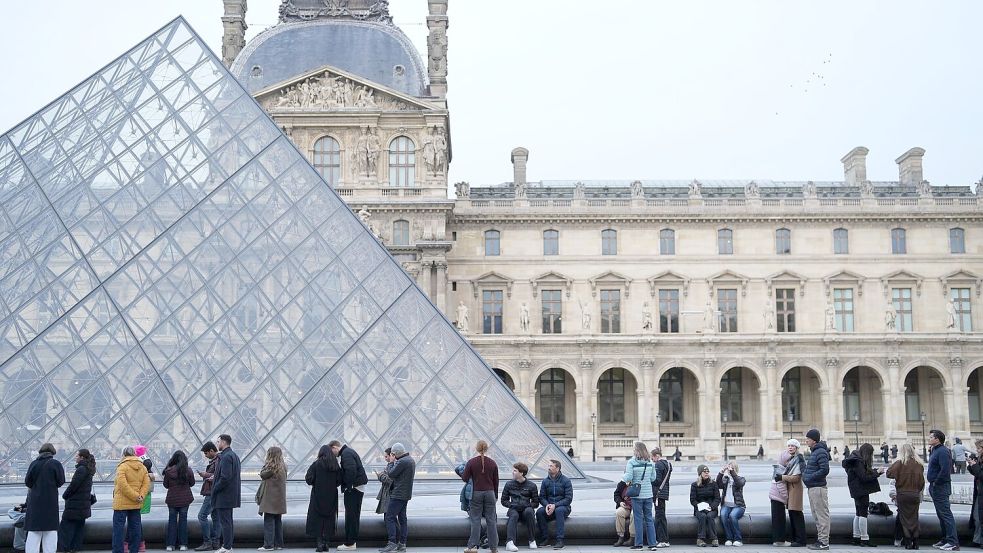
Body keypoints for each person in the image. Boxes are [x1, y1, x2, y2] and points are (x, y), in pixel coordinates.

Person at [25, 443, 66, 553]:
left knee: (33, 534)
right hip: (50, 502)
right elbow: (61, 481)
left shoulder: (34, 464)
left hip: (35, 502)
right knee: (50, 533)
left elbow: (28, 482)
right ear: (52, 452)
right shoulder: (56, 464)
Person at [462, 441, 500, 553]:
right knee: (491, 520)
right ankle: (494, 548)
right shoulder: (493, 463)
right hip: (490, 493)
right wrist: (495, 495)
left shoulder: (471, 462)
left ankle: (472, 547)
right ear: (487, 449)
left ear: (476, 448)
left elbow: (465, 478)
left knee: (475, 520)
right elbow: (496, 481)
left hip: (476, 493)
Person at [330, 441, 368, 551]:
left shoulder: (346, 454)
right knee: (354, 516)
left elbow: (351, 471)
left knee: (351, 516)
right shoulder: (348, 452)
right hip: (357, 487)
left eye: (332, 452)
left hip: (353, 489)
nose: (333, 455)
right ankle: (351, 542)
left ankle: (350, 543)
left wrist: (348, 487)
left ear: (335, 447)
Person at [112, 446, 151, 553]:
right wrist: (140, 496)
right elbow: (146, 484)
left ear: (123, 454)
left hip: (121, 503)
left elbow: (122, 485)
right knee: (136, 528)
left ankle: (118, 551)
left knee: (118, 530)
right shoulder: (142, 467)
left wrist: (134, 496)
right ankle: (134, 550)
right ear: (134, 453)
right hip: (136, 502)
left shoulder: (122, 467)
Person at [842, 443, 882, 547]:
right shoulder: (858, 462)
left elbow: (861, 474)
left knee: (858, 513)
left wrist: (875, 472)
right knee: (863, 514)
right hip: (861, 490)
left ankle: (856, 537)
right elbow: (864, 477)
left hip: (856, 489)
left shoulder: (853, 459)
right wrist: (877, 473)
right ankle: (864, 538)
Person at [887, 443, 925, 549]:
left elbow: (888, 473)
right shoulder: (919, 464)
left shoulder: (900, 463)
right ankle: (916, 542)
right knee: (914, 517)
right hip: (915, 495)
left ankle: (908, 541)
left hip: (903, 494)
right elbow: (922, 482)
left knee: (904, 519)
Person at [378, 442, 415, 553]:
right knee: (402, 519)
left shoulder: (402, 462)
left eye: (392, 454)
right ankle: (402, 544)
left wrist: (391, 462)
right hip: (405, 494)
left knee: (389, 517)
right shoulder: (410, 460)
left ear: (395, 453)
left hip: (398, 494)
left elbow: (391, 474)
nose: (392, 456)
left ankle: (392, 543)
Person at [622, 442, 657, 550]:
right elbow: (653, 478)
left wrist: (623, 477)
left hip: (637, 495)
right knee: (649, 519)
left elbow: (628, 477)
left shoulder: (631, 462)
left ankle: (639, 544)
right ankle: (652, 544)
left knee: (638, 520)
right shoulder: (650, 462)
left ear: (636, 450)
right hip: (648, 495)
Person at [770, 439, 805, 547]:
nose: (790, 447)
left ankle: (800, 540)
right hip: (789, 489)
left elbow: (796, 478)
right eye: (789, 445)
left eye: (792, 446)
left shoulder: (798, 459)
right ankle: (796, 539)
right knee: (793, 514)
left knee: (796, 514)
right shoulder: (790, 460)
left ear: (797, 448)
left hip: (795, 490)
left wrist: (782, 477)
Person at [927, 430, 958, 551]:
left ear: (937, 439)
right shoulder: (935, 450)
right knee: (941, 515)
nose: (929, 439)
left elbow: (945, 469)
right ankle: (945, 539)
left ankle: (953, 542)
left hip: (940, 486)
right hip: (935, 486)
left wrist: (936, 482)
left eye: (931, 437)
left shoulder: (943, 451)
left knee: (945, 515)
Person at [59, 449, 95, 553]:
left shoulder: (81, 469)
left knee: (66, 527)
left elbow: (73, 485)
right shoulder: (89, 468)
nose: (75, 457)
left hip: (75, 505)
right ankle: (75, 548)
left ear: (82, 457)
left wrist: (65, 495)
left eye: (77, 456)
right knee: (79, 528)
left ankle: (65, 548)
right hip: (83, 504)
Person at [306, 445, 340, 552]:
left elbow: (308, 479)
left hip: (318, 495)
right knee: (329, 519)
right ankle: (326, 543)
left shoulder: (316, 464)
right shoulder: (335, 465)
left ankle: (319, 544)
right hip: (331, 496)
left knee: (318, 520)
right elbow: (339, 480)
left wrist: (315, 482)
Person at [211, 434, 242, 553]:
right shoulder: (234, 456)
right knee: (228, 521)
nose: (217, 444)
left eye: (218, 441)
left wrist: (215, 488)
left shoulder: (226, 457)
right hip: (230, 495)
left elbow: (225, 477)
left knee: (225, 522)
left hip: (224, 495)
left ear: (224, 442)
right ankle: (228, 545)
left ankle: (227, 546)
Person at [802, 429, 830, 551]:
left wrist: (809, 477)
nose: (806, 441)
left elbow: (825, 470)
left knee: (822, 515)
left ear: (814, 440)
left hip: (818, 487)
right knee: (817, 515)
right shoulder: (815, 452)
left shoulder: (820, 452)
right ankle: (821, 540)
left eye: (808, 439)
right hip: (813, 487)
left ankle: (824, 542)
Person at [163, 450, 196, 552]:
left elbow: (166, 485)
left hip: (172, 499)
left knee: (172, 521)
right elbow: (192, 483)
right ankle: (183, 545)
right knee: (183, 521)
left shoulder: (168, 471)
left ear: (174, 459)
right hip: (185, 499)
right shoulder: (188, 470)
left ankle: (170, 545)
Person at [536, 459, 573, 550]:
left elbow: (568, 499)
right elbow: (542, 497)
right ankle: (545, 538)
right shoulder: (545, 481)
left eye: (551, 466)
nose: (548, 468)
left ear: (558, 468)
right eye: (548, 466)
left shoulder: (566, 481)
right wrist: (547, 505)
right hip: (549, 507)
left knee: (559, 510)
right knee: (539, 512)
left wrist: (555, 505)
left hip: (563, 508)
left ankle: (560, 540)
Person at [501, 462, 539, 551]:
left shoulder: (532, 485)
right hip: (513, 509)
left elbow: (536, 503)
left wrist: (526, 505)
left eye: (515, 471)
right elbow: (503, 501)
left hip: (526, 509)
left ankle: (532, 540)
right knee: (514, 515)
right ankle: (510, 542)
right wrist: (512, 505)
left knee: (529, 511)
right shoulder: (509, 484)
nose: (512, 472)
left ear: (521, 473)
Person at [257, 447, 287, 551]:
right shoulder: (283, 467)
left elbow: (262, 474)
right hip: (279, 500)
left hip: (270, 500)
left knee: (268, 521)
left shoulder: (270, 467)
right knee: (278, 521)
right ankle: (279, 544)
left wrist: (266, 464)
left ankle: (268, 545)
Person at [194, 442, 222, 551]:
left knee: (202, 516)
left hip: (212, 492)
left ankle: (207, 542)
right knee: (216, 517)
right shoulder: (219, 459)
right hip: (216, 492)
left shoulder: (218, 460)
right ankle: (216, 543)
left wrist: (205, 474)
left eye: (206, 453)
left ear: (211, 451)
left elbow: (218, 475)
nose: (205, 456)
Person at [716, 461, 745, 547]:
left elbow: (739, 484)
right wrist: (721, 472)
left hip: (738, 506)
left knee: (732, 516)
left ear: (735, 469)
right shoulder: (726, 479)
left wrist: (732, 472)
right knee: (723, 516)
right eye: (729, 468)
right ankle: (729, 538)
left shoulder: (741, 478)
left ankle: (738, 539)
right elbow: (718, 484)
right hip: (726, 505)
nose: (729, 470)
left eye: (732, 468)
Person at [689, 465, 719, 547]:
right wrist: (699, 506)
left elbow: (717, 499)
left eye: (708, 471)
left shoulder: (713, 484)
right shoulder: (694, 485)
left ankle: (714, 539)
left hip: (712, 508)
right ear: (700, 473)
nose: (706, 473)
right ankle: (700, 539)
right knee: (702, 516)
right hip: (700, 509)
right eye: (704, 472)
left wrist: (712, 507)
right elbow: (692, 500)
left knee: (709, 516)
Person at [651, 447, 672, 548]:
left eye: (652, 458)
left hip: (658, 494)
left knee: (659, 517)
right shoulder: (668, 464)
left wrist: (650, 479)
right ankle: (665, 540)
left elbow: (657, 480)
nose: (652, 460)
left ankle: (662, 540)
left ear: (657, 456)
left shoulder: (658, 465)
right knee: (662, 516)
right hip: (664, 492)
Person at [968, 440, 983, 548]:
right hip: (979, 492)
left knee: (979, 517)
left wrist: (975, 466)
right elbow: (976, 473)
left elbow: (981, 475)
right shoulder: (980, 459)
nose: (977, 450)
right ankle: (977, 539)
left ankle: (979, 540)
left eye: (978, 448)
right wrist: (971, 465)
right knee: (977, 517)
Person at [611, 480, 634, 547]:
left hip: (636, 507)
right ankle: (621, 537)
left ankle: (632, 538)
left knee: (634, 515)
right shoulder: (622, 483)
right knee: (619, 512)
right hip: (625, 506)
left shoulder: (638, 481)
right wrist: (620, 502)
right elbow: (616, 494)